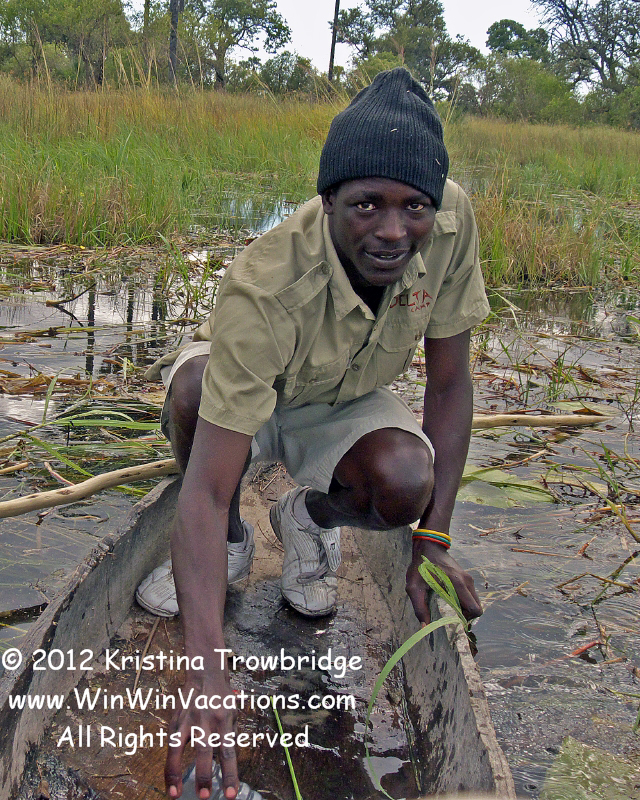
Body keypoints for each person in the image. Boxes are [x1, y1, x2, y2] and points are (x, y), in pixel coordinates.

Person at [139, 67, 490, 800]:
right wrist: (206, 668)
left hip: (342, 400)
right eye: (366, 205)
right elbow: (202, 492)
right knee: (194, 393)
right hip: (250, 400)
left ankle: (308, 519)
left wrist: (432, 538)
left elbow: (450, 383)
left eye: (414, 207)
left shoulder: (451, 223)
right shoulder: (266, 285)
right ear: (328, 199)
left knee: (405, 481)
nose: (392, 230)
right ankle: (232, 546)